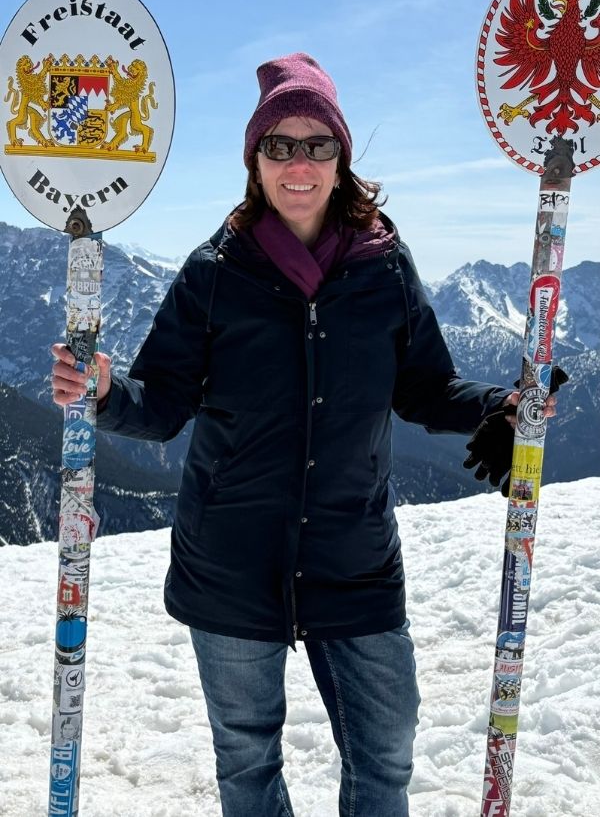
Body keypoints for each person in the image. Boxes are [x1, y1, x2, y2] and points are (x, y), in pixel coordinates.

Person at [51, 52, 558, 817]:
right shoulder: (215, 273)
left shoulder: (383, 269)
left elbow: (424, 387)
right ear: (254, 161)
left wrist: (504, 406)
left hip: (354, 560)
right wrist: (103, 392)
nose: (298, 163)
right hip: (231, 563)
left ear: (341, 158)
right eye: (279, 145)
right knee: (247, 760)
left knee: (384, 753)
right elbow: (161, 403)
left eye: (316, 144)